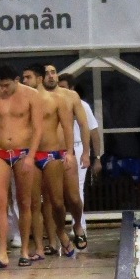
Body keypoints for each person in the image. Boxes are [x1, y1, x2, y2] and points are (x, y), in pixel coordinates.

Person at [0, 65, 42, 268]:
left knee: (24, 201)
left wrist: (31, 156)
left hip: (23, 152)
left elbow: (37, 128)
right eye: (1, 86)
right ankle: (2, 253)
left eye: (7, 85)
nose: (3, 90)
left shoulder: (31, 95)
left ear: (17, 80)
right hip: (0, 152)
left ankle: (24, 250)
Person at [25, 64, 77, 257]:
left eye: (28, 77)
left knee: (57, 202)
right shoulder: (23, 101)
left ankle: (60, 232)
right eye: (23, 78)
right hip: (31, 155)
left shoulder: (56, 100)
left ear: (38, 79)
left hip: (51, 154)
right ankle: (39, 247)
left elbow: (67, 127)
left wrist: (69, 152)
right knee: (34, 204)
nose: (25, 81)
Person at [43, 65, 89, 250]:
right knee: (56, 201)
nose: (50, 76)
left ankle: (77, 224)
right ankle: (60, 231)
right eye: (46, 73)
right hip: (47, 153)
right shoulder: (37, 97)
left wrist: (86, 152)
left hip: (67, 152)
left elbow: (84, 125)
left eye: (53, 72)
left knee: (74, 197)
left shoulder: (71, 96)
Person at [57, 73, 102, 235]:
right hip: (57, 150)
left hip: (78, 148)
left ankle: (79, 224)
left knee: (77, 189)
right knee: (59, 191)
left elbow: (93, 132)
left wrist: (95, 157)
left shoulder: (82, 105)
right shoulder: (53, 104)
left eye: (63, 87)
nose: (61, 90)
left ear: (72, 88)